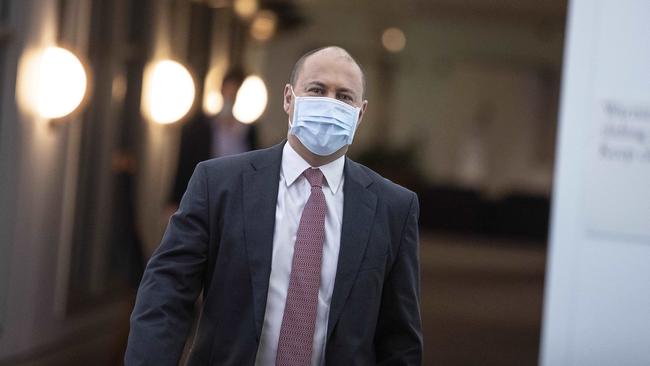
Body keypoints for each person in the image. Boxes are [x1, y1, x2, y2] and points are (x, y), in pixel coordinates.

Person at [125, 46, 422, 365]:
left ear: (360, 113)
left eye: (344, 97)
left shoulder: (393, 208)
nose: (330, 103)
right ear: (289, 98)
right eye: (317, 90)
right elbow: (166, 293)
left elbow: (399, 338)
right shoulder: (218, 184)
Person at [169, 67, 258, 207]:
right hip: (203, 195)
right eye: (229, 91)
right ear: (222, 90)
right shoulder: (200, 127)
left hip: (235, 199)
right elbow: (185, 163)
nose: (231, 96)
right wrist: (174, 201)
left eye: (235, 92)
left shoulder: (247, 131)